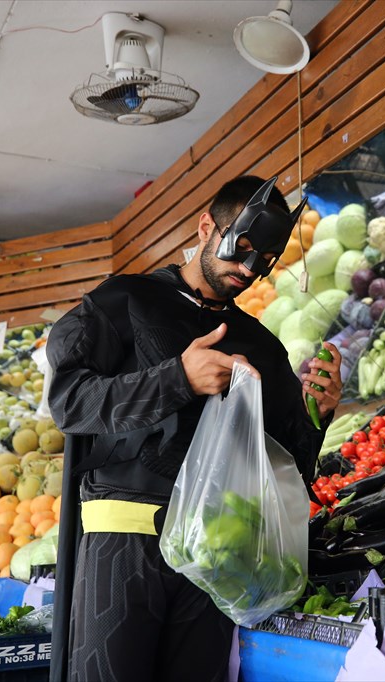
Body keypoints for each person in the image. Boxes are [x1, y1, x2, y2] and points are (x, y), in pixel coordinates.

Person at [45, 175, 343, 682]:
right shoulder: (125, 302)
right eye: (239, 248)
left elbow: (286, 462)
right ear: (207, 226)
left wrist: (318, 413)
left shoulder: (262, 346)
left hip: (217, 552)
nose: (247, 270)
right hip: (127, 539)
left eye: (264, 260)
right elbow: (69, 401)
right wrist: (176, 378)